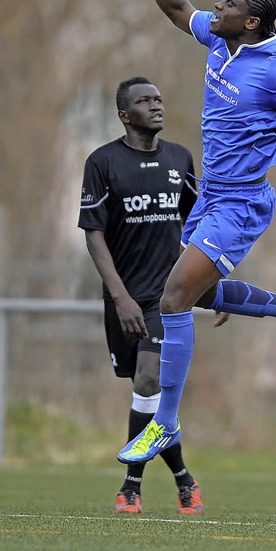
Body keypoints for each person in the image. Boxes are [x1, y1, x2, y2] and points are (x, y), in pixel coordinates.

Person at [117, 0, 276, 465]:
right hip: (209, 197)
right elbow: (176, 8)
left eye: (228, 3)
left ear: (250, 23)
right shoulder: (221, 41)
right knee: (194, 296)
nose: (216, 7)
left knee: (172, 297)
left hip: (240, 203)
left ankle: (165, 425)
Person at [78, 76, 203, 514]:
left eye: (158, 99)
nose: (156, 106)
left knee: (151, 381)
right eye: (144, 101)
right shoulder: (102, 162)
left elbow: (200, 229)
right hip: (123, 298)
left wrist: (211, 285)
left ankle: (130, 485)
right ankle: (185, 478)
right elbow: (93, 235)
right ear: (124, 115)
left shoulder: (180, 158)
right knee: (146, 394)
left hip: (166, 299)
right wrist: (120, 297)